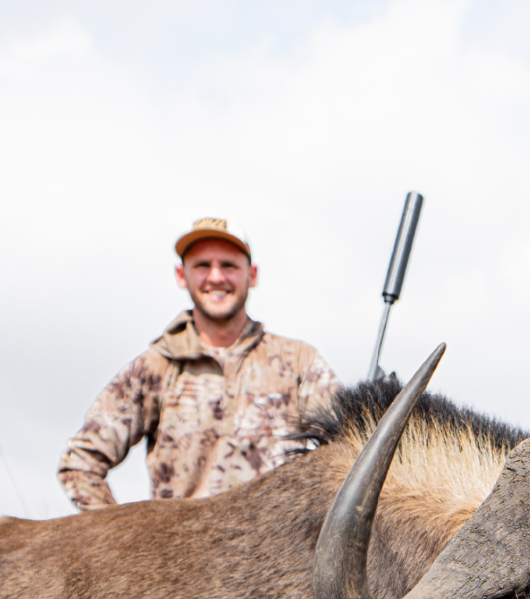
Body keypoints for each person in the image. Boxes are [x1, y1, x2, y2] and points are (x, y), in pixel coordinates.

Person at [58, 218, 340, 510]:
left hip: (278, 550)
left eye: (229, 266)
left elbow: (349, 450)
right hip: (181, 552)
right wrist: (122, 543)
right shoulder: (155, 367)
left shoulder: (298, 362)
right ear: (182, 275)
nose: (216, 277)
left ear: (252, 275)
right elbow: (79, 463)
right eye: (203, 265)